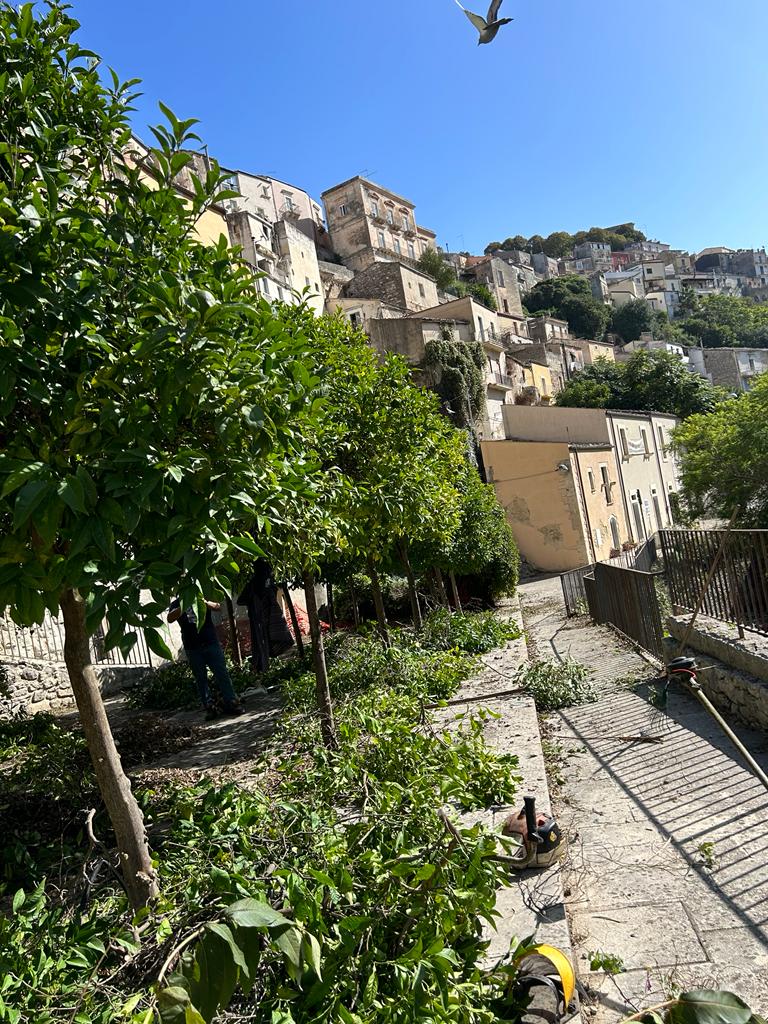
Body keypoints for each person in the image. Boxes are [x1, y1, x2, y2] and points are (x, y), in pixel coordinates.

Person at [167, 599, 244, 719]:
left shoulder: (201, 595)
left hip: (210, 642)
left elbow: (218, 606)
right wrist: (183, 605)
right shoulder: (177, 603)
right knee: (200, 678)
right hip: (192, 647)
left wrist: (204, 602)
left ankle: (231, 703)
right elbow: (170, 618)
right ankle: (209, 707)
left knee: (222, 673)